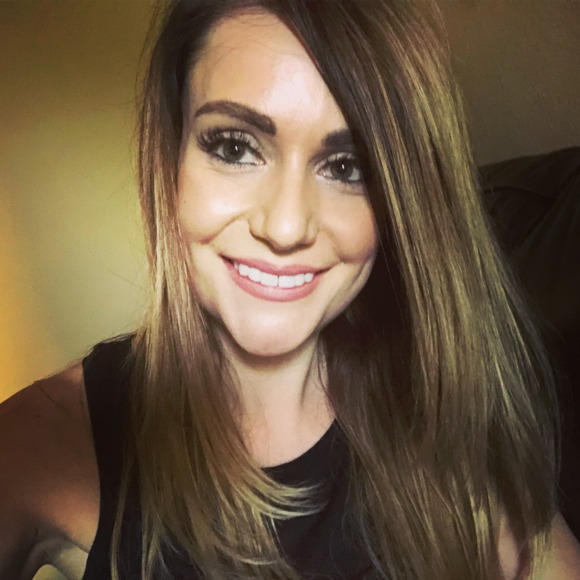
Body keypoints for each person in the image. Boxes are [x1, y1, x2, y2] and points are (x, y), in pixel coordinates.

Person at [1, 0, 580, 578]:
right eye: (234, 147)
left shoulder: (447, 410)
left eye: (347, 166)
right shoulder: (46, 443)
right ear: (170, 157)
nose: (284, 227)